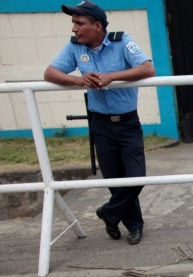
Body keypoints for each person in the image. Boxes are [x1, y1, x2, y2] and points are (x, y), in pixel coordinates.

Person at [44, 1, 155, 244]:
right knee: (114, 179)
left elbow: (148, 69)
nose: (74, 29)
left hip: (127, 122)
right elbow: (50, 73)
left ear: (97, 26)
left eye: (79, 23)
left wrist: (111, 76)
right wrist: (78, 80)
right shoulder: (74, 47)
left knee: (136, 176)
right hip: (100, 124)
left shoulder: (121, 40)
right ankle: (132, 225)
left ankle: (109, 213)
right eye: (73, 23)